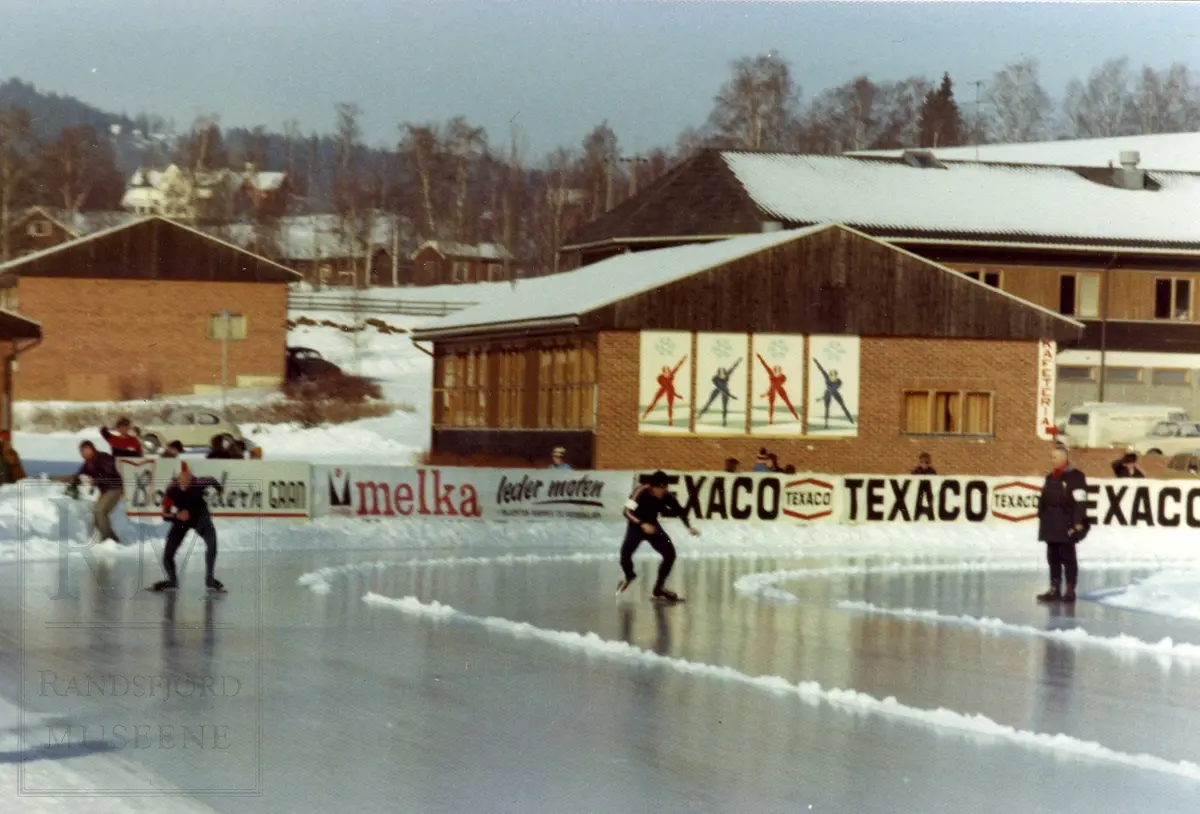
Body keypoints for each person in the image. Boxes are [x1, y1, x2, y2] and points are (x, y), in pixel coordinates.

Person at [616, 470, 699, 603]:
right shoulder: (640, 491)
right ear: (652, 487)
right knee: (625, 554)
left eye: (665, 488)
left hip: (653, 527)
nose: (663, 491)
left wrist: (689, 527)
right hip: (636, 526)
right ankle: (629, 575)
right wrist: (642, 524)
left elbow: (679, 510)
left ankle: (658, 589)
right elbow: (626, 511)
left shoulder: (666, 495)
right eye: (660, 488)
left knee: (670, 554)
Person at [151, 462, 225, 593]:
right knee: (168, 554)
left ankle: (209, 578)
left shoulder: (199, 482)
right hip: (182, 519)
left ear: (192, 477)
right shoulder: (171, 489)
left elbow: (213, 480)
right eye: (182, 478)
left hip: (200, 518)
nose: (185, 482)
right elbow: (164, 514)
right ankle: (172, 581)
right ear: (178, 478)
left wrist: (220, 489)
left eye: (188, 478)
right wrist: (176, 516)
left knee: (212, 543)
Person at [1036, 444, 1089, 604]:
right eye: (1051, 457)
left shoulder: (1076, 476)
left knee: (1068, 558)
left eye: (1054, 457)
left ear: (1064, 459)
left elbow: (1081, 501)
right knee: (1053, 558)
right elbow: (1043, 499)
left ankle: (1070, 590)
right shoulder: (1050, 477)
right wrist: (1042, 514)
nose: (1051, 460)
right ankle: (1054, 589)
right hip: (1050, 524)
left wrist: (1078, 522)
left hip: (1066, 523)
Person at [69, 441, 125, 544]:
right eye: (83, 451)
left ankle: (110, 539)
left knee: (100, 511)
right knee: (96, 514)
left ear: (93, 448)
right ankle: (104, 539)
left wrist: (96, 480)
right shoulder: (88, 462)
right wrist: (75, 480)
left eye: (88, 449)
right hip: (105, 490)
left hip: (114, 488)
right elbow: (82, 473)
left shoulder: (103, 458)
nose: (86, 452)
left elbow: (111, 475)